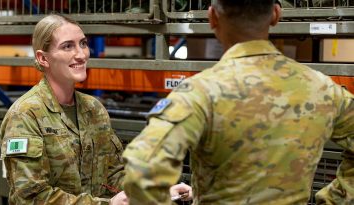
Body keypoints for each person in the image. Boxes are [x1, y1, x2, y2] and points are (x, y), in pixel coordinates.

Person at [122, 0, 354, 204]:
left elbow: (143, 170)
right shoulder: (323, 89)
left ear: (212, 17)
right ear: (276, 15)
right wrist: (335, 199)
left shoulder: (199, 93)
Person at [0, 14, 128, 204]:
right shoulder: (26, 115)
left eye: (83, 44)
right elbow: (32, 197)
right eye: (68, 46)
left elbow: (113, 174)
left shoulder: (94, 109)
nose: (81, 54)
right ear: (43, 58)